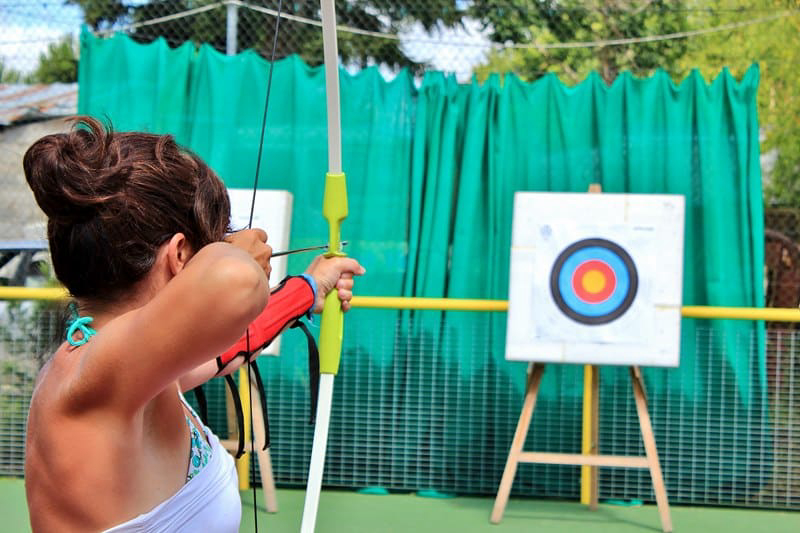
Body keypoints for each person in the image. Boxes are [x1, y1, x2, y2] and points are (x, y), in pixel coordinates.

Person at [22, 116, 365, 532]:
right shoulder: (94, 373)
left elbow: (226, 350)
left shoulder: (134, 372)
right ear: (181, 254)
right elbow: (233, 282)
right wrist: (237, 257)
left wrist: (307, 290)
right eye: (212, 242)